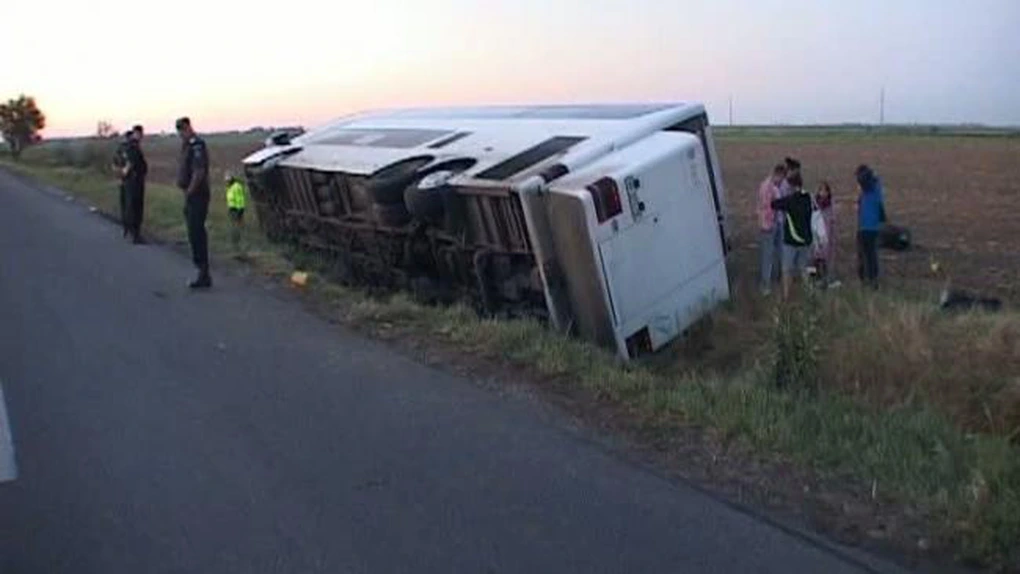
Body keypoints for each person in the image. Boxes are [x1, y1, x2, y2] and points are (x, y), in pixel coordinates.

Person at [175, 117, 212, 289]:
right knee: (193, 232)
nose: (181, 134)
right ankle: (201, 269)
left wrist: (190, 191)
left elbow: (199, 172)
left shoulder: (197, 145)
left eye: (182, 130)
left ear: (188, 127)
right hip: (190, 194)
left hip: (197, 195)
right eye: (179, 131)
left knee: (197, 232)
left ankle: (203, 272)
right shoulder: (186, 145)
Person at [770, 173, 813, 299]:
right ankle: (810, 294)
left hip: (791, 241)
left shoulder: (789, 200)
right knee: (803, 269)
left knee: (787, 270)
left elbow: (774, 204)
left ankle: (786, 296)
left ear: (792, 186)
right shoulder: (807, 198)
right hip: (805, 240)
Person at [757, 163, 787, 294]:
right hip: (768, 225)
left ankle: (777, 278)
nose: (782, 181)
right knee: (767, 255)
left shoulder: (777, 187)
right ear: (777, 174)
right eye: (781, 178)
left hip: (778, 223)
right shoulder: (766, 187)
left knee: (780, 252)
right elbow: (766, 207)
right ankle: (765, 285)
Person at [855, 164, 886, 288]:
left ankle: (864, 280)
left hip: (864, 228)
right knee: (872, 255)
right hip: (874, 228)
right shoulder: (877, 189)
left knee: (863, 255)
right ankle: (873, 280)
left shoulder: (866, 191)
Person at [121, 125, 148, 244]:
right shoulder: (133, 146)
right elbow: (130, 164)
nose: (141, 136)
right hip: (135, 181)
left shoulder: (129, 146)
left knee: (130, 206)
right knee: (136, 207)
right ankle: (135, 234)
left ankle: (130, 230)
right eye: (140, 134)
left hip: (132, 180)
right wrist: (127, 174)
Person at [812, 181, 838, 286]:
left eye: (824, 190)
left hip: (827, 232)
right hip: (816, 231)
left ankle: (825, 277)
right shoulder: (814, 203)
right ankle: (816, 278)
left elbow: (833, 218)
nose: (822, 192)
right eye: (820, 190)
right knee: (816, 255)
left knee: (826, 256)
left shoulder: (830, 203)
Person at [111, 131, 132, 238]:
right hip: (127, 180)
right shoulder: (127, 149)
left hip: (123, 179)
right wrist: (122, 173)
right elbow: (117, 164)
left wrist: (118, 173)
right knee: (128, 205)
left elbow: (114, 164)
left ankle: (126, 228)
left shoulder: (121, 148)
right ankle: (128, 228)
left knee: (125, 205)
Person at [224, 170, 247, 253]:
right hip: (232, 208)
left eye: (227, 179)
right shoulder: (230, 186)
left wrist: (240, 209)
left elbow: (240, 198)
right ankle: (235, 239)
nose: (226, 181)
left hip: (237, 209)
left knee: (237, 225)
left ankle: (239, 240)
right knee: (234, 225)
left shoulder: (236, 186)